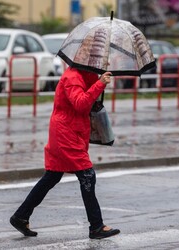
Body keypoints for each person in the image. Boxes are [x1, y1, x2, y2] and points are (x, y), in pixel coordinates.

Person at [10, 67, 120, 240]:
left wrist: (99, 81)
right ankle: (96, 226)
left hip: (71, 131)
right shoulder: (72, 77)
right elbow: (81, 104)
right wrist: (99, 84)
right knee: (87, 176)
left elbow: (90, 97)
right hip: (66, 134)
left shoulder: (85, 74)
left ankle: (20, 216)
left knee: (52, 177)